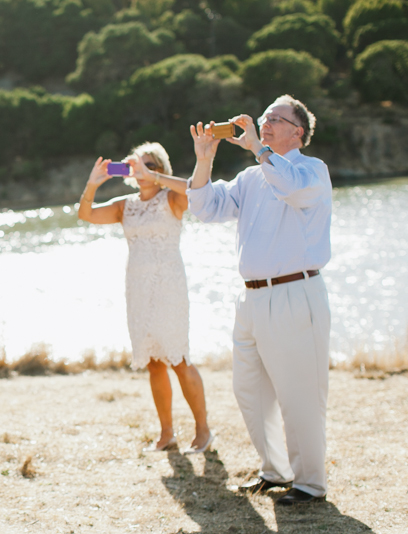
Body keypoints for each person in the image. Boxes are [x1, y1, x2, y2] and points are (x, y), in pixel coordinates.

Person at [187, 95, 332, 506]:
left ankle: (309, 484)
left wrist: (257, 147)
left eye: (274, 119)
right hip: (250, 299)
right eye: (263, 118)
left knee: (300, 393)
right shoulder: (251, 178)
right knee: (249, 390)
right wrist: (204, 159)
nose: (263, 123)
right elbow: (205, 207)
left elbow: (291, 188)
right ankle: (274, 471)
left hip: (294, 292)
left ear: (297, 131)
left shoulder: (311, 170)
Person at [78, 143, 213, 454]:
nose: (142, 170)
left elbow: (196, 190)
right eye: (137, 165)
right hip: (138, 288)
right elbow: (85, 214)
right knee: (153, 362)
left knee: (179, 358)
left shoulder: (173, 198)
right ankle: (167, 434)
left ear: (160, 169)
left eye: (150, 164)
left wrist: (154, 176)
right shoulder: (125, 206)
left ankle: (203, 430)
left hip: (169, 287)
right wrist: (93, 183)